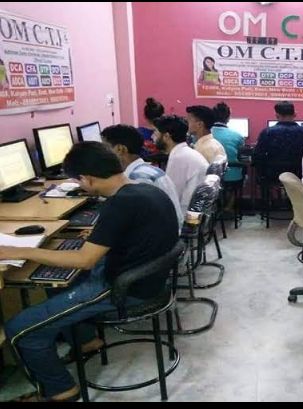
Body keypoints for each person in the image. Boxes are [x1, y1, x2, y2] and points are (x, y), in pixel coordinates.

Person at [0, 142, 179, 402]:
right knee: (52, 282)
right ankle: (86, 342)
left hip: (124, 288)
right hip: (145, 277)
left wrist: (21, 251)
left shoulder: (119, 205)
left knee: (20, 329)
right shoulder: (144, 190)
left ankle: (61, 391)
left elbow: (84, 261)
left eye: (78, 181)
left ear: (87, 179)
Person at [101, 124, 183, 223]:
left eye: (104, 149)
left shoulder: (136, 179)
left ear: (120, 149)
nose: (101, 154)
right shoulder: (146, 170)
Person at [153, 114, 209, 215]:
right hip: (195, 212)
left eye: (156, 133)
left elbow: (171, 195)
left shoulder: (179, 157)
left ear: (166, 136)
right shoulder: (184, 152)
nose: (153, 137)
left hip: (185, 214)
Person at [253, 101, 303, 180]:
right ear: (295, 114)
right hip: (298, 175)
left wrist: (261, 174)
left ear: (277, 115)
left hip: (273, 175)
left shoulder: (267, 132)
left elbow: (258, 156)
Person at [211, 102, 245, 183]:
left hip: (209, 177)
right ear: (228, 118)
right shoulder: (238, 136)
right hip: (232, 177)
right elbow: (241, 156)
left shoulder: (202, 134)